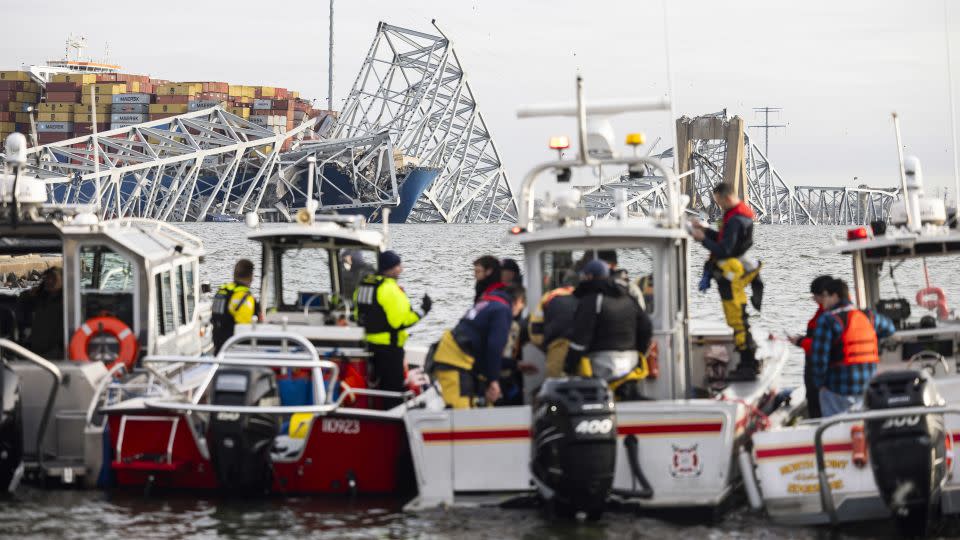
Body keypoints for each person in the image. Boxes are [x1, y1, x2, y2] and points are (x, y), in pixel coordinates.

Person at [690, 183, 763, 381]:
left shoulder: (736, 220)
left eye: (719, 202)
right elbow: (724, 240)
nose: (719, 206)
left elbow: (725, 250)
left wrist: (702, 239)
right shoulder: (737, 216)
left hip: (732, 277)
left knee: (737, 320)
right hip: (734, 273)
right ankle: (751, 360)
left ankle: (747, 366)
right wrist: (705, 231)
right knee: (739, 318)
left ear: (726, 197)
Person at [564, 260, 653, 399]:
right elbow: (646, 327)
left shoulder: (591, 300)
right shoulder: (628, 297)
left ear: (588, 277)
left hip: (601, 364)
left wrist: (568, 366)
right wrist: (639, 352)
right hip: (631, 361)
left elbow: (580, 339)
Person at [429, 284, 526, 409]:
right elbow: (494, 348)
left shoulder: (488, 304)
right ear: (518, 301)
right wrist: (494, 381)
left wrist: (515, 365)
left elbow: (485, 352)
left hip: (457, 356)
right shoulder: (503, 310)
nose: (520, 310)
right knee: (460, 414)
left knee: (481, 406)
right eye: (522, 306)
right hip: (455, 362)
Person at [354, 250, 431, 408]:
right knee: (393, 391)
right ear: (390, 268)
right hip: (389, 348)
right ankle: (392, 419)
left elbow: (357, 314)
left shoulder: (364, 285)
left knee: (375, 386)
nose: (401, 269)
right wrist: (424, 310)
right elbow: (401, 321)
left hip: (367, 345)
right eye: (398, 266)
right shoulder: (389, 289)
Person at [811, 278, 896, 417]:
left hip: (838, 390)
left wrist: (819, 385)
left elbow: (819, 360)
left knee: (834, 429)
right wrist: (872, 337)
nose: (823, 301)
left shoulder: (827, 320)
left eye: (826, 296)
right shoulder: (868, 316)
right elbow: (890, 328)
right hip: (867, 388)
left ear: (835, 296)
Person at [788, 275, 833, 419]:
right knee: (814, 403)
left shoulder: (830, 315)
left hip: (822, 372)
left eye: (816, 296)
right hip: (814, 370)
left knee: (820, 407)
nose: (814, 299)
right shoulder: (822, 312)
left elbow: (823, 346)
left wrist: (800, 342)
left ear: (825, 295)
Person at [528, 276, 578, 378]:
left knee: (555, 382)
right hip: (580, 346)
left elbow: (535, 323)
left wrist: (539, 343)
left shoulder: (549, 297)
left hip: (556, 345)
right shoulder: (585, 296)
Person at [211, 259, 258, 354]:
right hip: (235, 351)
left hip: (219, 347)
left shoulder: (222, 290)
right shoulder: (244, 297)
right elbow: (244, 330)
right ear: (251, 277)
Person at [18, 267, 64, 358]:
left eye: (54, 278)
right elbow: (21, 300)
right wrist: (34, 291)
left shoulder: (66, 302)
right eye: (47, 278)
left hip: (54, 353)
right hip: (36, 351)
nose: (49, 281)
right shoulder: (41, 298)